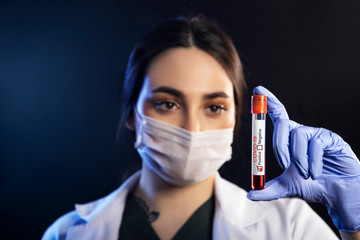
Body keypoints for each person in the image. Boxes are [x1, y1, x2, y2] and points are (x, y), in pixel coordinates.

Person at [42, 14, 360, 240]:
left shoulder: (290, 228)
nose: (192, 128)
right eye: (167, 103)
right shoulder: (67, 234)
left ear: (236, 119)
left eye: (214, 107)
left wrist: (353, 226)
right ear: (131, 114)